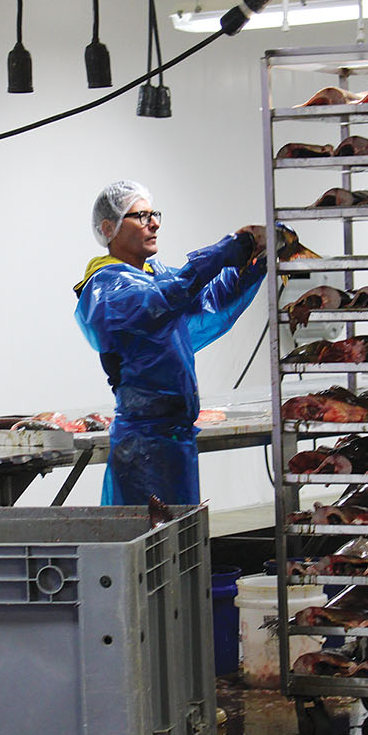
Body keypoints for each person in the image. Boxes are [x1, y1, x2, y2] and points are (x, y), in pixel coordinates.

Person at [74, 180, 268, 505]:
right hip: (142, 444)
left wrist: (252, 266)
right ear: (109, 228)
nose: (155, 224)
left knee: (179, 542)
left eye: (155, 214)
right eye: (141, 216)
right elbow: (158, 303)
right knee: (149, 542)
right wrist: (218, 255)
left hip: (176, 439)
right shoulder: (104, 289)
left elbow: (209, 302)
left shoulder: (155, 275)